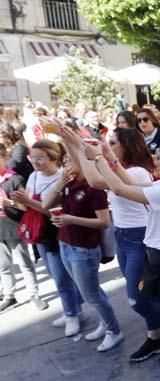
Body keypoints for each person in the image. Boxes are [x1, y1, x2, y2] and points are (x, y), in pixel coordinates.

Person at [62, 125, 160, 362]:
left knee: (137, 298)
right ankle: (154, 336)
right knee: (144, 295)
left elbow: (93, 180)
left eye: (113, 142)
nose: (107, 146)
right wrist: (71, 143)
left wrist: (82, 146)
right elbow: (86, 170)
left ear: (127, 146)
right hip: (122, 236)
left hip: (138, 237)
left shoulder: (139, 173)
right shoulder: (116, 169)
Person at [88, 139, 160, 364]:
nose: (155, 160)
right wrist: (110, 156)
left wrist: (98, 159)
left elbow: (120, 189)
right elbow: (129, 183)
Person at [39, 144, 125, 352]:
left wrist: (72, 219)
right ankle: (105, 324)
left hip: (83, 248)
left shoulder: (93, 187)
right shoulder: (69, 183)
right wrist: (60, 182)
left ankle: (114, 330)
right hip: (65, 243)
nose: (66, 163)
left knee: (91, 294)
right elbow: (46, 205)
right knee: (90, 291)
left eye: (70, 159)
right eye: (65, 160)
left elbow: (104, 222)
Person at [11, 139, 86, 335]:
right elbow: (27, 204)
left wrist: (28, 201)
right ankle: (73, 309)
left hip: (59, 231)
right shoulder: (34, 176)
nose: (35, 162)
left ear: (53, 158)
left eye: (40, 158)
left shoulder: (63, 178)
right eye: (32, 158)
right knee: (56, 275)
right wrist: (18, 201)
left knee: (62, 277)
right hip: (41, 233)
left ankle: (72, 313)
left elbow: (53, 210)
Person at [0, 143, 45, 312]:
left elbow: (26, 206)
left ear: (4, 157)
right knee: (3, 265)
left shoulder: (14, 179)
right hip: (0, 228)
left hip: (14, 225)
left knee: (24, 263)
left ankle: (34, 294)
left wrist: (8, 203)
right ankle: (9, 295)